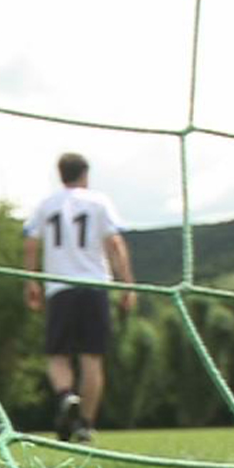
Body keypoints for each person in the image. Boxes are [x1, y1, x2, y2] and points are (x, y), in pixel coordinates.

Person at [22, 152, 136, 443]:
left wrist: (31, 280)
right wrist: (128, 284)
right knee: (92, 358)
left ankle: (65, 396)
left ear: (60, 174)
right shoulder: (99, 202)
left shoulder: (47, 204)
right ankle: (85, 423)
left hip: (60, 288)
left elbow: (31, 243)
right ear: (85, 173)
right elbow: (114, 242)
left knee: (57, 355)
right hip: (95, 286)